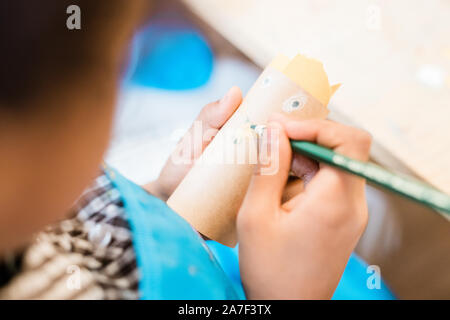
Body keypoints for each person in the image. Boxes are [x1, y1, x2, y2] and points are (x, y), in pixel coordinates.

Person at [0, 0, 371, 299]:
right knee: (378, 223)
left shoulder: (24, 209)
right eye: (112, 72)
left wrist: (164, 196)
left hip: (180, 244)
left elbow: (76, 226)